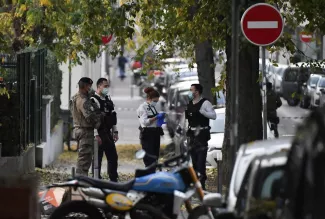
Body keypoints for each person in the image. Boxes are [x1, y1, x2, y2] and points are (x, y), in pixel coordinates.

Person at [185, 84, 216, 190]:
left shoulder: (205, 103)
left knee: (201, 161)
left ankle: (202, 185)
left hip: (202, 135)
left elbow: (213, 115)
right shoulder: (189, 104)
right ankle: (195, 185)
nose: (189, 92)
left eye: (191, 90)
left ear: (197, 92)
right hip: (192, 135)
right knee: (193, 161)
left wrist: (203, 112)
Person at [70, 77, 104, 176]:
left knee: (84, 158)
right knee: (84, 160)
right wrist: (100, 118)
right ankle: (81, 182)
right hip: (85, 132)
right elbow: (90, 117)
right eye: (89, 86)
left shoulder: (76, 97)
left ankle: (81, 180)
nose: (91, 88)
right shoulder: (84, 100)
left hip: (80, 129)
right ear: (85, 86)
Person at [90, 78, 119, 181]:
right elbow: (92, 120)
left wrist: (115, 131)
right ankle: (96, 179)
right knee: (98, 157)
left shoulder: (108, 99)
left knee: (113, 156)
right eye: (105, 86)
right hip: (99, 132)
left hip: (108, 132)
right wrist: (95, 135)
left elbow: (112, 117)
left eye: (108, 86)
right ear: (99, 87)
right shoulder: (93, 100)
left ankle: (113, 179)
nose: (107, 88)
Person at [137, 87, 164, 171]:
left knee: (155, 156)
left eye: (157, 101)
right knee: (149, 158)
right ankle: (149, 175)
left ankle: (153, 174)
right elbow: (145, 122)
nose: (155, 103)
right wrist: (156, 117)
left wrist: (161, 120)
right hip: (147, 134)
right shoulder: (143, 107)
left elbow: (155, 120)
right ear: (149, 98)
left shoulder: (152, 107)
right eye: (155, 101)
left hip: (155, 133)